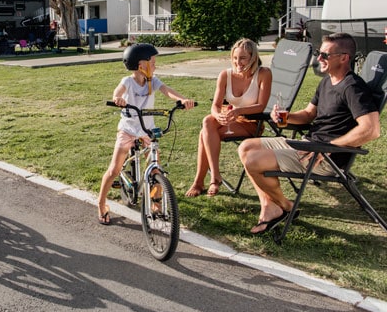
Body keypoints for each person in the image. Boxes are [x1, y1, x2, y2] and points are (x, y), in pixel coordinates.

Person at [238, 33, 380, 234]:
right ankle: (270, 207)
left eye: (325, 55)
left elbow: (371, 129)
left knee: (253, 160)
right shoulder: (327, 82)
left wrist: (330, 148)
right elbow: (307, 115)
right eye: (318, 53)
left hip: (324, 157)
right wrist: (285, 118)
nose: (319, 58)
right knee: (246, 146)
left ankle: (286, 207)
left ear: (344, 57)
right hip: (309, 144)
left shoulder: (353, 88)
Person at [97, 43, 196, 225]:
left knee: (156, 166)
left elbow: (168, 91)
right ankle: (101, 203)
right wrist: (117, 99)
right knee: (114, 169)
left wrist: (182, 100)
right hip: (128, 129)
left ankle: (156, 204)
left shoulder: (153, 81)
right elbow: (118, 91)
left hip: (146, 130)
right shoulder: (128, 82)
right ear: (141, 65)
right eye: (153, 62)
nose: (155, 65)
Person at [185, 38, 272, 197]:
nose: (238, 62)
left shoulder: (264, 74)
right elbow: (215, 105)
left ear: (253, 57)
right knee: (207, 121)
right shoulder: (225, 75)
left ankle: (202, 181)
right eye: (235, 58)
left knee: (204, 133)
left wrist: (238, 112)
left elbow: (261, 106)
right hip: (230, 119)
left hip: (252, 123)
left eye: (243, 58)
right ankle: (214, 176)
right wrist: (218, 115)